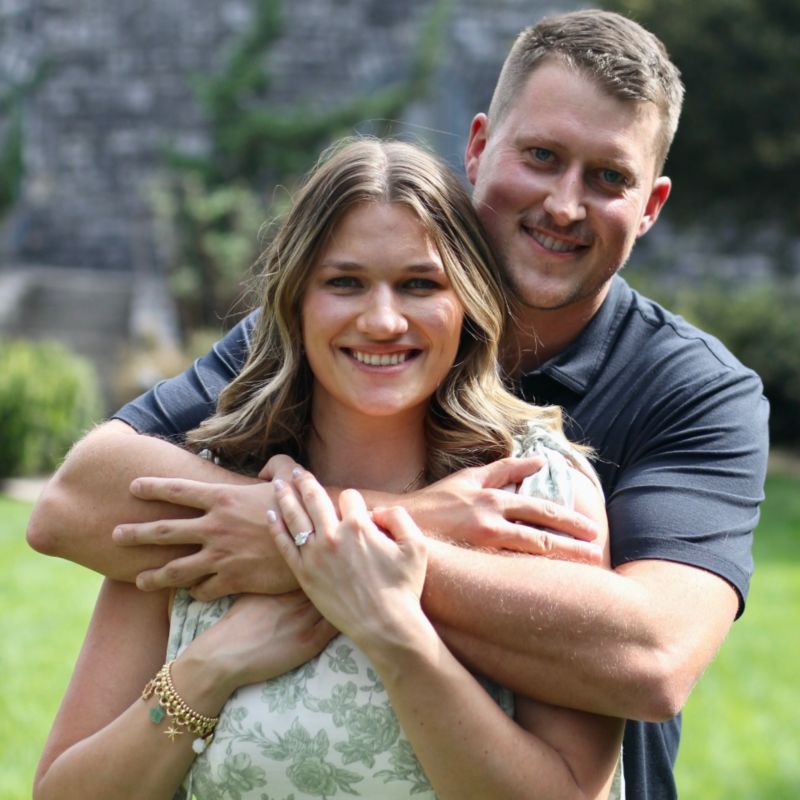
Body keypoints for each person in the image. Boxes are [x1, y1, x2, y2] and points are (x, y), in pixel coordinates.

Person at [27, 10, 769, 799]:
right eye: (542, 156)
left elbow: (652, 659)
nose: (564, 204)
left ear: (651, 204)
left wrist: (321, 554)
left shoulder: (682, 402)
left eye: (608, 178)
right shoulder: (309, 357)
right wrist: (414, 521)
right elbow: (73, 506)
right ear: (479, 147)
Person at [33, 138, 622, 800]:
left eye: (420, 284)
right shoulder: (211, 506)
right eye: (345, 282)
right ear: (295, 301)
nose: (383, 320)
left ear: (468, 300)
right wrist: (206, 672)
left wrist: (394, 636)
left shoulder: (536, 495)